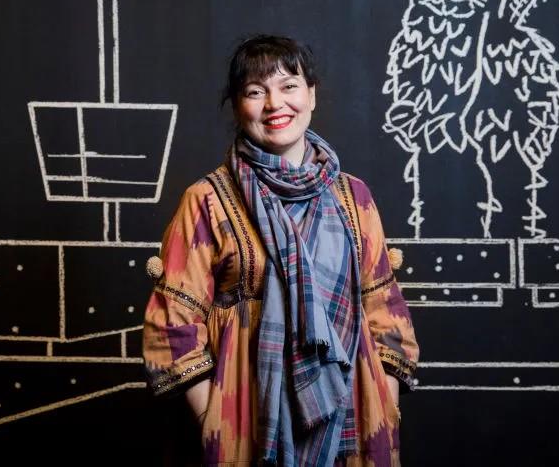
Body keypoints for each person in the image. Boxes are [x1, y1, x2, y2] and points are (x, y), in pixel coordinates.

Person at [142, 35, 419, 466]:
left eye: (289, 86)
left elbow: (384, 308)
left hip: (354, 412)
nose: (275, 104)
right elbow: (172, 322)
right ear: (238, 106)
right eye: (256, 92)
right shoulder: (207, 200)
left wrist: (385, 403)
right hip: (248, 419)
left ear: (312, 95)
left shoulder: (354, 197)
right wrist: (213, 419)